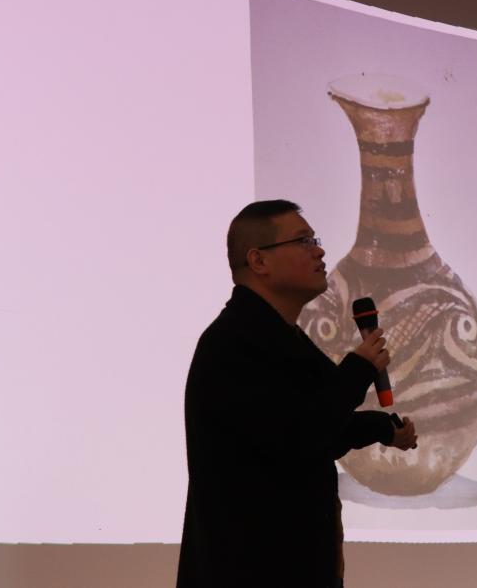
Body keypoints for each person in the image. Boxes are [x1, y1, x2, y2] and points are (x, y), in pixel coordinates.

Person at [176, 199, 417, 588]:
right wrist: (357, 370)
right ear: (259, 261)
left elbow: (317, 427)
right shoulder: (232, 343)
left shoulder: (281, 337)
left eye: (315, 241)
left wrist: (383, 428)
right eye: (303, 241)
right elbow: (297, 434)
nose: (319, 251)